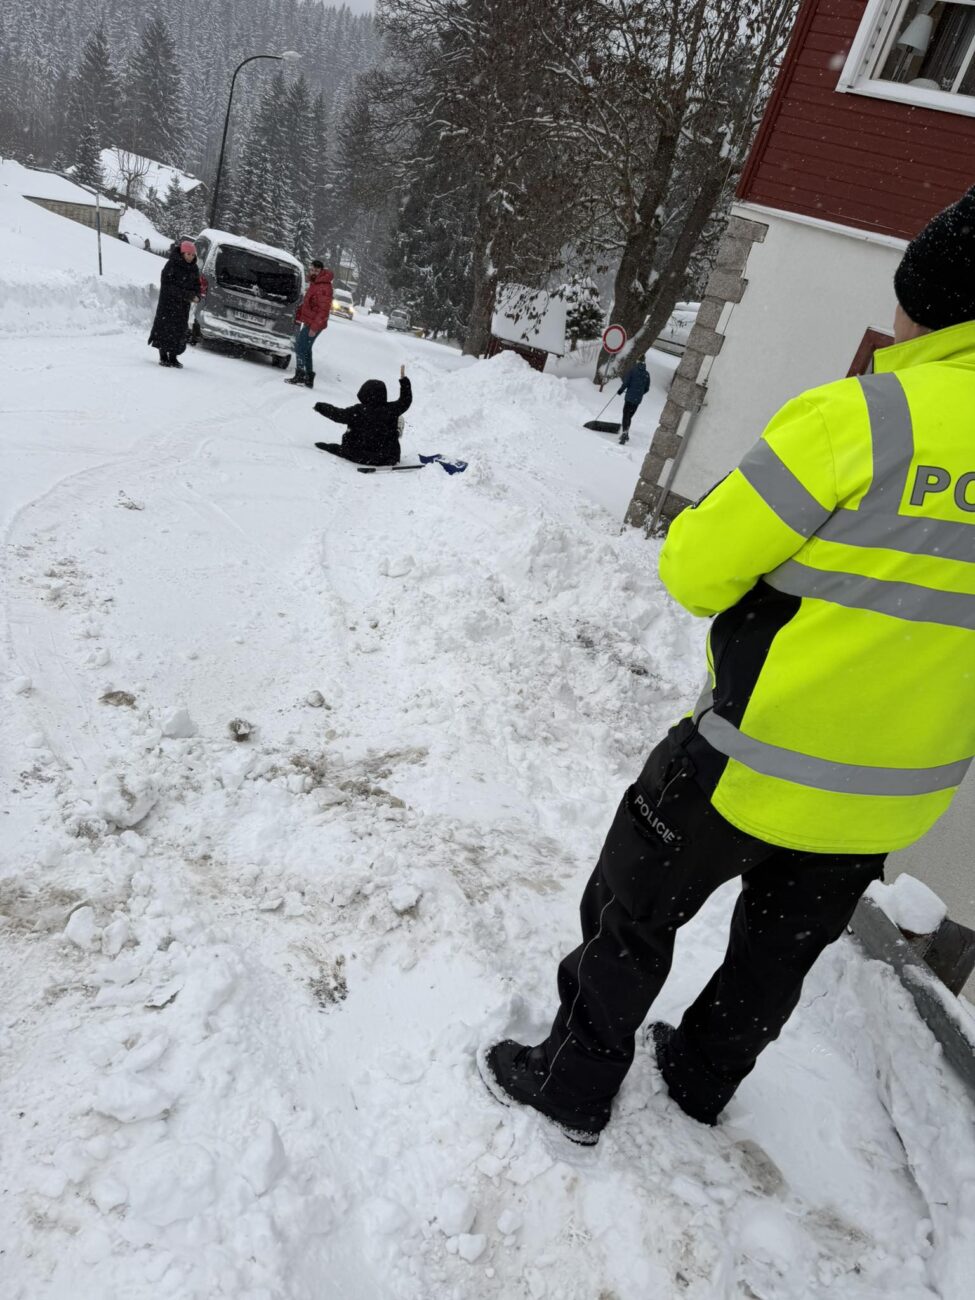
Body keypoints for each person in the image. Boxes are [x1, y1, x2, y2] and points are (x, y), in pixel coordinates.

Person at [482, 185, 975, 1146]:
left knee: (630, 905)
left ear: (933, 301)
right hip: (888, 796)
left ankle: (573, 1082)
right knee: (776, 954)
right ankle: (701, 1078)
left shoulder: (863, 418)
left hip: (750, 757)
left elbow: (695, 571)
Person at [313, 366, 412, 466]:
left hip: (357, 455)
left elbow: (338, 414)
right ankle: (397, 431)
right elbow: (405, 401)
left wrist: (321, 407)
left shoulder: (357, 411)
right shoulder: (391, 409)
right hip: (385, 457)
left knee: (352, 431)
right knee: (398, 419)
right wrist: (404, 381)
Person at [148, 239, 200, 368]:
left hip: (183, 307)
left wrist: (197, 295)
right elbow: (167, 286)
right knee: (165, 329)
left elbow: (197, 285)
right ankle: (163, 356)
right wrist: (187, 295)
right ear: (182, 253)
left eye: (193, 255)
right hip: (168, 305)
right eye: (188, 254)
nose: (190, 257)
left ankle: (173, 357)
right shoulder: (171, 265)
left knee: (178, 331)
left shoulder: (194, 268)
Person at [287, 260, 333, 389]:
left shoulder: (323, 287)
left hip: (314, 324)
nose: (313, 272)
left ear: (321, 271)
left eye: (316, 271)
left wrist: (314, 327)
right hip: (310, 322)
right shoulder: (315, 284)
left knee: (300, 347)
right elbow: (309, 304)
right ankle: (308, 378)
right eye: (312, 270)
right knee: (306, 349)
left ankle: (300, 376)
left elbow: (323, 310)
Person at [616, 356, 651, 445]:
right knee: (630, 416)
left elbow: (626, 383)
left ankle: (624, 433)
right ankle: (626, 433)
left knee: (625, 415)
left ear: (638, 361)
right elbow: (647, 388)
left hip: (629, 398)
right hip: (637, 400)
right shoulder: (647, 374)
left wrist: (620, 390)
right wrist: (639, 394)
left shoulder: (633, 371)